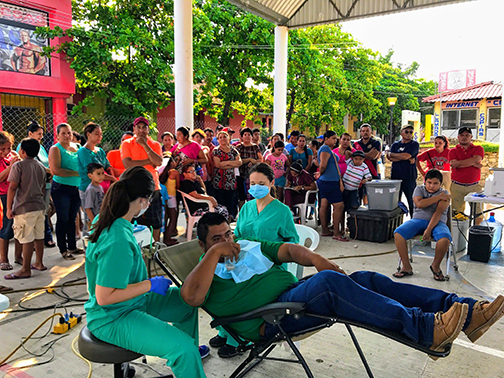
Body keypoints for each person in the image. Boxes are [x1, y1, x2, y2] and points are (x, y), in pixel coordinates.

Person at [182, 212, 504, 358]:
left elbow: (290, 250)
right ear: (203, 246)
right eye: (217, 239)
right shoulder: (203, 273)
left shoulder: (247, 245)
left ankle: (467, 311)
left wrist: (318, 260)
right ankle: (426, 331)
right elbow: (192, 297)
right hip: (274, 318)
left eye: (228, 235)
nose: (228, 243)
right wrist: (215, 254)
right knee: (330, 286)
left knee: (365, 278)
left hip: (292, 297)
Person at [84, 167, 208, 378]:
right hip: (113, 317)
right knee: (182, 348)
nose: (149, 205)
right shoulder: (118, 240)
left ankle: (188, 363)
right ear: (142, 200)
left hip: (134, 301)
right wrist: (149, 285)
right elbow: (105, 297)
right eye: (150, 200)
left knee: (187, 303)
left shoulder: (113, 219)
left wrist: (146, 285)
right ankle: (185, 355)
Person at [393, 169, 452, 281]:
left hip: (437, 222)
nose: (431, 186)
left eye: (435, 183)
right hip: (417, 220)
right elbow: (419, 204)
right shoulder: (419, 189)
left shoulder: (445, 194)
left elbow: (438, 212)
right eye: (429, 182)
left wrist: (429, 230)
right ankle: (406, 266)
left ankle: (435, 266)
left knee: (445, 239)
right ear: (425, 182)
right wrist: (437, 198)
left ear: (440, 184)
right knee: (398, 234)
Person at [3, 138, 46, 280]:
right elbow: (43, 187)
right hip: (39, 206)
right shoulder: (40, 166)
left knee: (26, 238)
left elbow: (12, 187)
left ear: (22, 151)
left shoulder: (18, 166)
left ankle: (25, 269)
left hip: (24, 207)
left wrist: (9, 208)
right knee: (39, 236)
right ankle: (39, 262)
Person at [122, 117, 164, 241]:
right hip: (134, 188)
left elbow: (158, 162)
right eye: (138, 127)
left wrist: (144, 145)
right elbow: (127, 164)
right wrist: (148, 161)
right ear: (134, 129)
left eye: (144, 127)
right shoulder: (127, 144)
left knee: (155, 222)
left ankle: (155, 249)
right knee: (134, 221)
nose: (141, 130)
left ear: (148, 129)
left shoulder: (155, 144)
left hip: (153, 188)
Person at [235, 163, 299, 244]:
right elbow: (237, 234)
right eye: (253, 184)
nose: (256, 187)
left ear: (272, 182)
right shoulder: (246, 207)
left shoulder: (282, 211)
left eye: (261, 184)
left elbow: (293, 242)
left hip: (269, 256)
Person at [17, 121, 56, 248]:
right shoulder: (22, 147)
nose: (41, 136)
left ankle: (43, 237)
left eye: (42, 134)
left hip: (45, 183)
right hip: (31, 186)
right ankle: (38, 239)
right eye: (38, 134)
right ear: (30, 133)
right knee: (35, 214)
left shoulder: (42, 148)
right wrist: (50, 171)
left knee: (44, 211)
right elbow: (28, 165)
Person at [48, 123, 82, 260]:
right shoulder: (55, 149)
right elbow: (56, 170)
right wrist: (77, 173)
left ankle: (72, 246)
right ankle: (63, 249)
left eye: (69, 133)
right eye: (64, 133)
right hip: (61, 188)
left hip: (77, 188)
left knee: (72, 218)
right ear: (57, 135)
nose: (67, 136)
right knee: (63, 219)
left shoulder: (78, 147)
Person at [449, 127, 484, 224]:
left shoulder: (478, 148)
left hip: (474, 186)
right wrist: (473, 163)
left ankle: (476, 234)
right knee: (457, 214)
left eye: (467, 135)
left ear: (471, 137)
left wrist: (460, 163)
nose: (464, 137)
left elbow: (476, 158)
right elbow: (453, 164)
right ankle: (459, 236)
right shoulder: (453, 151)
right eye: (462, 135)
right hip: (457, 186)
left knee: (478, 214)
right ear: (458, 137)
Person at [317, 131, 347, 241]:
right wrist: (320, 172)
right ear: (326, 138)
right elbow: (323, 165)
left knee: (324, 204)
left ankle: (325, 230)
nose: (335, 140)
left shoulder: (327, 149)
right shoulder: (325, 149)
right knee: (339, 206)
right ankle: (336, 233)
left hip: (328, 181)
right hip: (329, 181)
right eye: (333, 138)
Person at [386, 125, 420, 218]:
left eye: (411, 132)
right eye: (406, 131)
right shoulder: (395, 144)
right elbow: (390, 158)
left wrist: (393, 155)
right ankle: (396, 221)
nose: (409, 134)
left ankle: (414, 220)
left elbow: (406, 156)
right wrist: (401, 157)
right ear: (401, 133)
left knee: (412, 201)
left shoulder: (414, 144)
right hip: (396, 177)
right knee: (395, 201)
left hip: (409, 177)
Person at [0, 132, 22, 271]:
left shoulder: (12, 155)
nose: (7, 151)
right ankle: (3, 258)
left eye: (9, 148)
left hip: (16, 194)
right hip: (3, 195)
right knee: (6, 228)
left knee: (19, 226)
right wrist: (10, 167)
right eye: (3, 149)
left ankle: (18, 256)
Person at [77, 122, 117, 199]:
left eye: (101, 134)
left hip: (103, 190)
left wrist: (112, 180)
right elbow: (93, 172)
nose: (100, 136)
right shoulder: (83, 151)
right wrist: (112, 178)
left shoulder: (100, 151)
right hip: (89, 189)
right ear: (88, 134)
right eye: (97, 134)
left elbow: (108, 167)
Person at [212, 131, 241, 221]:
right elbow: (218, 164)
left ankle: (231, 217)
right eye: (220, 137)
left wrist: (226, 163)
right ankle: (222, 219)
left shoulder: (234, 150)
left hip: (231, 180)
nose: (222, 139)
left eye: (224, 137)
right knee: (221, 200)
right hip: (219, 180)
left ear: (229, 138)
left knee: (231, 200)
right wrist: (232, 164)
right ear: (217, 140)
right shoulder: (216, 151)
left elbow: (239, 162)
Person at [236, 128, 263, 208]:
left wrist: (254, 162)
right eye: (245, 135)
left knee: (253, 196)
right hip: (241, 174)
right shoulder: (239, 147)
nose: (247, 136)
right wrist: (249, 160)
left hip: (253, 175)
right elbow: (238, 160)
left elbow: (260, 159)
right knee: (241, 197)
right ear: (241, 137)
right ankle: (243, 215)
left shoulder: (255, 147)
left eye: (249, 135)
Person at [159, 157, 180, 246]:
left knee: (166, 217)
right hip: (172, 196)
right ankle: (167, 239)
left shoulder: (162, 173)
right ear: (171, 163)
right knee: (173, 218)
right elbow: (178, 186)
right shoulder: (175, 172)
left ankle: (166, 237)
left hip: (164, 196)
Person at [83, 163, 105, 229]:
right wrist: (94, 223)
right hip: (94, 221)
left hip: (100, 219)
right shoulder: (91, 189)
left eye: (102, 173)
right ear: (90, 176)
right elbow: (88, 208)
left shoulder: (100, 187)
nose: (101, 176)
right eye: (98, 174)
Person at [202, 128, 215, 197]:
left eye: (211, 136)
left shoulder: (214, 149)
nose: (209, 137)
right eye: (207, 135)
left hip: (211, 176)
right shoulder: (200, 147)